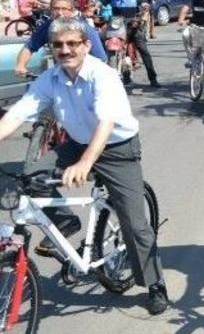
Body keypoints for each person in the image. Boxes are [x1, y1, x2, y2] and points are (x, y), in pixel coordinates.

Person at [0, 18, 169, 314]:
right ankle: (65, 220)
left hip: (117, 148)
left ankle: (155, 283)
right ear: (51, 48)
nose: (65, 50)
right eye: (58, 45)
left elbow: (107, 122)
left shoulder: (102, 75)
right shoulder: (50, 79)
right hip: (78, 143)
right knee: (32, 177)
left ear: (87, 45)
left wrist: (86, 163)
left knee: (133, 222)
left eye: (72, 44)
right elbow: (16, 115)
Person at [14, 0, 108, 77]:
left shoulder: (84, 28)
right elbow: (29, 46)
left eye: (64, 9)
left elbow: (101, 58)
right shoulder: (47, 27)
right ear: (50, 10)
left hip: (86, 77)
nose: (60, 13)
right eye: (56, 9)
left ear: (71, 11)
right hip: (61, 77)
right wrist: (21, 65)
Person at [109, 0, 161, 87]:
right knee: (112, 51)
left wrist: (145, 6)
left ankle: (153, 78)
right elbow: (100, 2)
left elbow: (144, 3)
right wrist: (94, 5)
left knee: (144, 51)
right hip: (117, 26)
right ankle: (117, 76)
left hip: (134, 25)